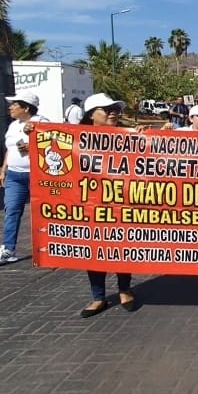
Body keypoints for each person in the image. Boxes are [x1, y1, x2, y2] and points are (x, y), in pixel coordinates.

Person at [78, 93, 140, 318]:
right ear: (91, 115)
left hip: (121, 203)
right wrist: (31, 131)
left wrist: (148, 136)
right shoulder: (75, 137)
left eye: (115, 109)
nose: (113, 113)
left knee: (122, 247)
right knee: (93, 250)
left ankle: (125, 290)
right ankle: (98, 297)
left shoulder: (127, 135)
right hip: (90, 204)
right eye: (106, 109)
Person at [0, 92, 51, 264]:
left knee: (44, 213)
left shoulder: (42, 122)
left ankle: (51, 249)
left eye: (15, 105)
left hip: (36, 175)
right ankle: (8, 249)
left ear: (26, 108)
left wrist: (32, 144)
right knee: (11, 210)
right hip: (14, 176)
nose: (10, 108)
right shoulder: (13, 126)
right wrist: (3, 171)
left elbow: (52, 146)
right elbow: (10, 149)